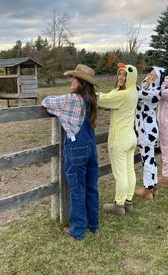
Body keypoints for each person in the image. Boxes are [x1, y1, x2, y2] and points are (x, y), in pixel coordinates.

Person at [41, 64, 99, 240]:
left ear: (81, 82)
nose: (70, 80)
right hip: (90, 147)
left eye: (74, 78)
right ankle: (93, 223)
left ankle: (78, 229)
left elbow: (46, 102)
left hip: (76, 149)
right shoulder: (91, 99)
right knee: (91, 187)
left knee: (77, 190)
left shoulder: (71, 100)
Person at [98, 63, 138, 215]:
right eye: (120, 74)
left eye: (125, 75)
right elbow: (113, 94)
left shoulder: (122, 95)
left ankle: (118, 205)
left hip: (120, 139)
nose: (121, 77)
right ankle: (128, 201)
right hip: (131, 137)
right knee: (129, 170)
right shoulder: (132, 91)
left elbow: (102, 99)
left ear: (131, 78)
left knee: (120, 173)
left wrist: (86, 92)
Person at [134, 66, 165, 200]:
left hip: (146, 131)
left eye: (154, 76)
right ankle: (153, 187)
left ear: (158, 80)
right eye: (150, 74)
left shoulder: (154, 92)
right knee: (150, 159)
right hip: (146, 130)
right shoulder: (147, 89)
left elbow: (136, 94)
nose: (151, 77)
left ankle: (147, 190)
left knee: (147, 160)